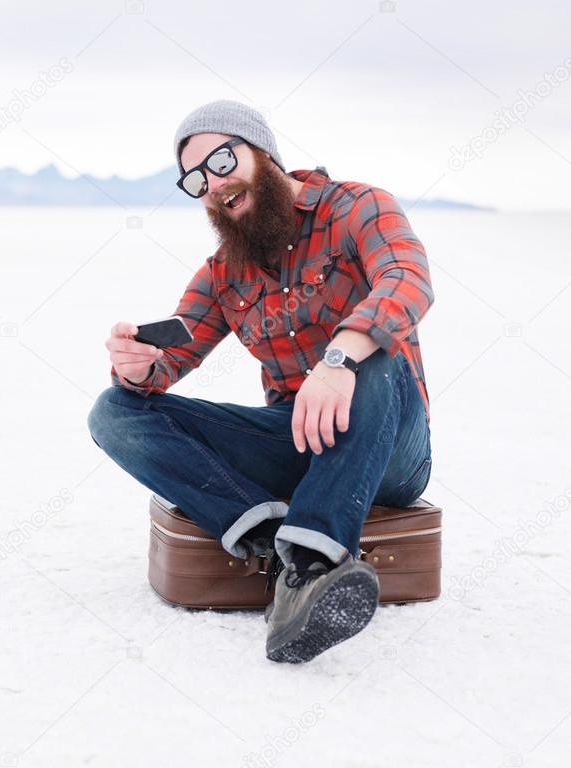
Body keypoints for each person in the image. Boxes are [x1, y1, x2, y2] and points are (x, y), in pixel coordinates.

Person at [87, 99, 434, 663]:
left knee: (373, 352)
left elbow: (407, 280)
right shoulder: (225, 270)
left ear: (263, 153)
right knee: (114, 412)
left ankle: (309, 568)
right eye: (195, 178)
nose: (212, 184)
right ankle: (265, 530)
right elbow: (173, 357)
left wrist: (339, 361)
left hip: (390, 443)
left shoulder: (358, 207)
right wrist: (138, 368)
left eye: (222, 161)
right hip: (299, 442)